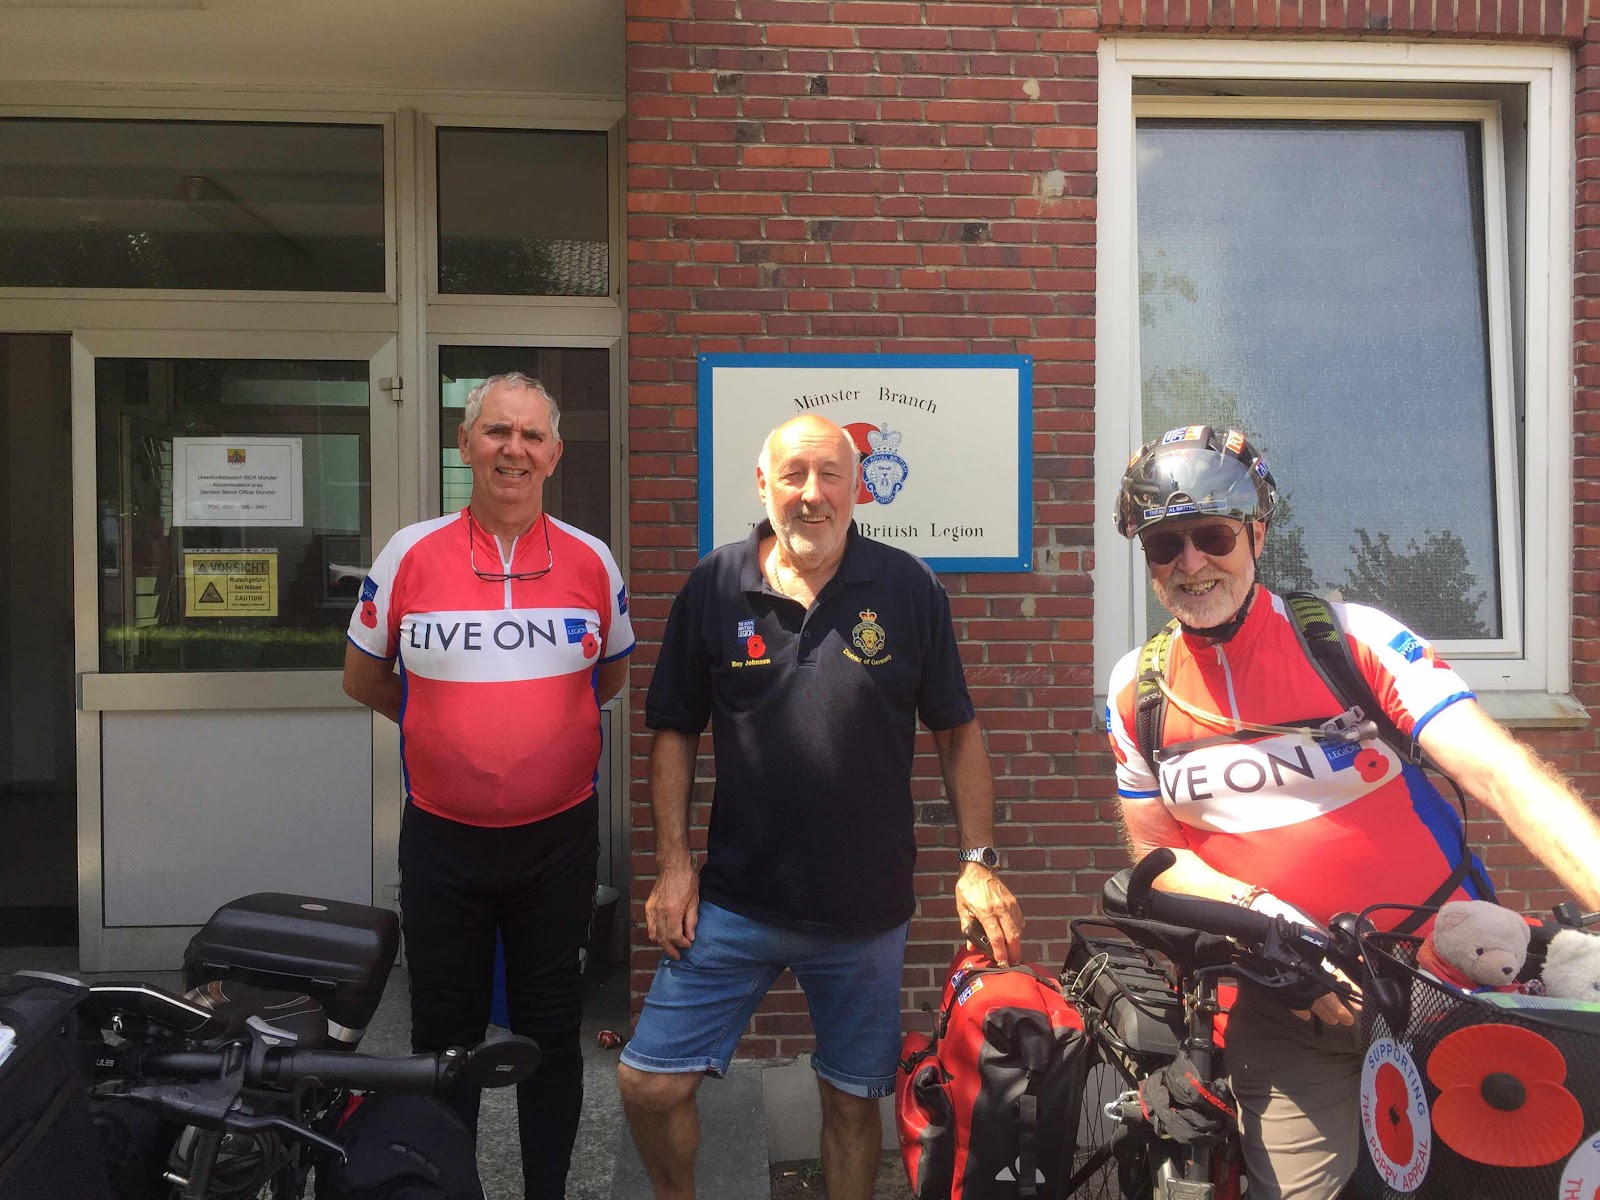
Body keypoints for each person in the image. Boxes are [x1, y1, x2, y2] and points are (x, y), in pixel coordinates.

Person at [1105, 423, 1600, 1200]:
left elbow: (1505, 776)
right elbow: (1159, 863)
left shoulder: (1353, 641)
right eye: (1166, 544)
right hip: (1287, 1002)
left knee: (1495, 1179)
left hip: (1443, 978)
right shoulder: (1139, 689)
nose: (1191, 564)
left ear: (1256, 534)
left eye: (1213, 536)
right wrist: (1276, 926)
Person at [617, 413, 1023, 1200]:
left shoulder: (908, 587)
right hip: (732, 902)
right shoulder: (714, 585)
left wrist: (977, 861)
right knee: (649, 1082)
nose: (812, 494)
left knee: (849, 1100)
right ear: (762, 485)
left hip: (864, 914)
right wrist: (673, 864)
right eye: (793, 475)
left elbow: (955, 732)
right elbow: (674, 730)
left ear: (857, 487)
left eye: (830, 474)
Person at [342, 372, 633, 1200]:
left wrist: (529, 730)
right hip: (444, 840)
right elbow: (363, 677)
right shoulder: (409, 552)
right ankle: (448, 1186)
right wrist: (446, 723)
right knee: (445, 1038)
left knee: (551, 1033)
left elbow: (606, 679)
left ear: (555, 454)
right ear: (465, 444)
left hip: (557, 842)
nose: (515, 449)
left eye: (532, 435)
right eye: (497, 432)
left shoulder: (591, 559)